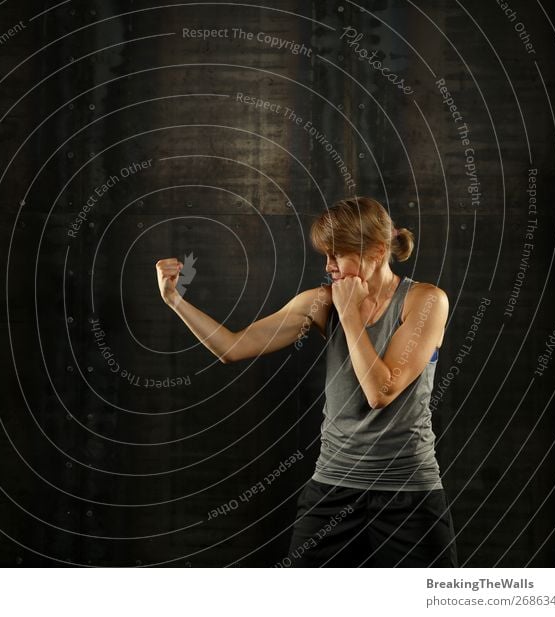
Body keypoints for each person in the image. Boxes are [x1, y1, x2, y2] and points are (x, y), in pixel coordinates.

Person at [155, 195, 457, 567]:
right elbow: (231, 347)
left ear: (377, 252)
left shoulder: (425, 301)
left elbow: (381, 390)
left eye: (337, 255)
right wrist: (174, 301)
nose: (328, 267)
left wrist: (349, 316)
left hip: (408, 493)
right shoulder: (322, 302)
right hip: (332, 488)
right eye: (325, 256)